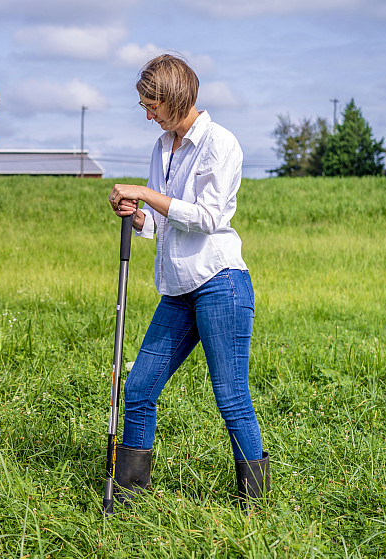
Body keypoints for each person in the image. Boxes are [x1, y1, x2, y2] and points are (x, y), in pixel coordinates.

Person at [108, 54, 269, 507]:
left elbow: (208, 217)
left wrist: (146, 193)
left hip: (221, 282)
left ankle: (253, 505)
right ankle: (129, 498)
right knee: (139, 389)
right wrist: (136, 213)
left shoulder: (220, 143)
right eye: (144, 105)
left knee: (231, 396)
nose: (148, 114)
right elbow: (159, 224)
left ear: (175, 97)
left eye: (152, 104)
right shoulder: (162, 146)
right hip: (178, 291)